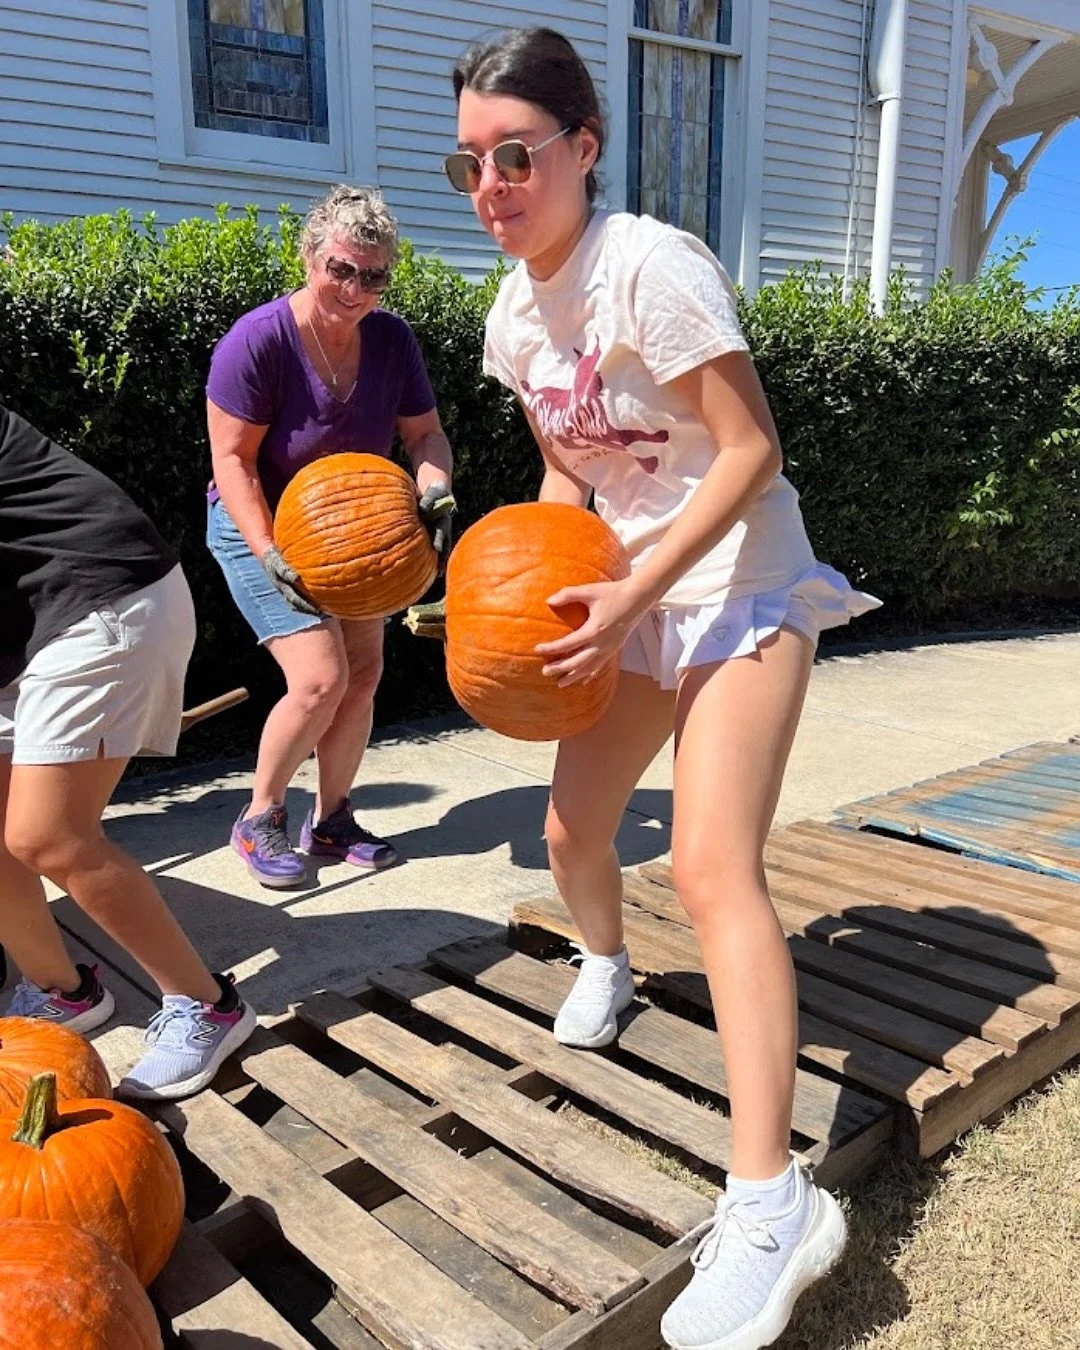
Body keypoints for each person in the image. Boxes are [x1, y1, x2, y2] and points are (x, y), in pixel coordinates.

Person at [449, 28, 880, 1350]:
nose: (493, 185)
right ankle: (607, 967)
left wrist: (639, 594)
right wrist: (521, 599)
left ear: (584, 148)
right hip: (625, 600)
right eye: (469, 162)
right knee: (573, 831)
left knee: (707, 861)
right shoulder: (514, 316)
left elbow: (749, 450)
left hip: (739, 585)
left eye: (517, 154)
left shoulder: (651, 268)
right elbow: (570, 479)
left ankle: (773, 1200)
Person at [0, 400, 256, 1100]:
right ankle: (63, 992)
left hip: (101, 603)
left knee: (48, 835)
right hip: (36, 620)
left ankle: (208, 1006)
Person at [206, 185, 455, 889]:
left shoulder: (391, 339)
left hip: (356, 532)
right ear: (311, 256)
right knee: (320, 679)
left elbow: (424, 433)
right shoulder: (259, 340)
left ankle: (333, 818)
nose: (355, 287)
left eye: (372, 275)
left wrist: (433, 487)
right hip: (258, 522)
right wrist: (267, 551)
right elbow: (232, 462)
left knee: (364, 674)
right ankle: (259, 817)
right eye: (342, 268)